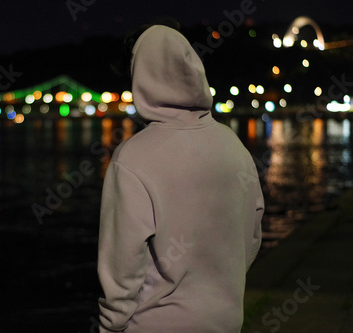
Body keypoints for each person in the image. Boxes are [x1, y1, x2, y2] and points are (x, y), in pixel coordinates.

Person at [97, 23, 264, 333]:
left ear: (141, 77)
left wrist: (111, 326)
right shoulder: (233, 146)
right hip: (226, 320)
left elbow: (122, 269)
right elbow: (252, 236)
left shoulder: (132, 157)